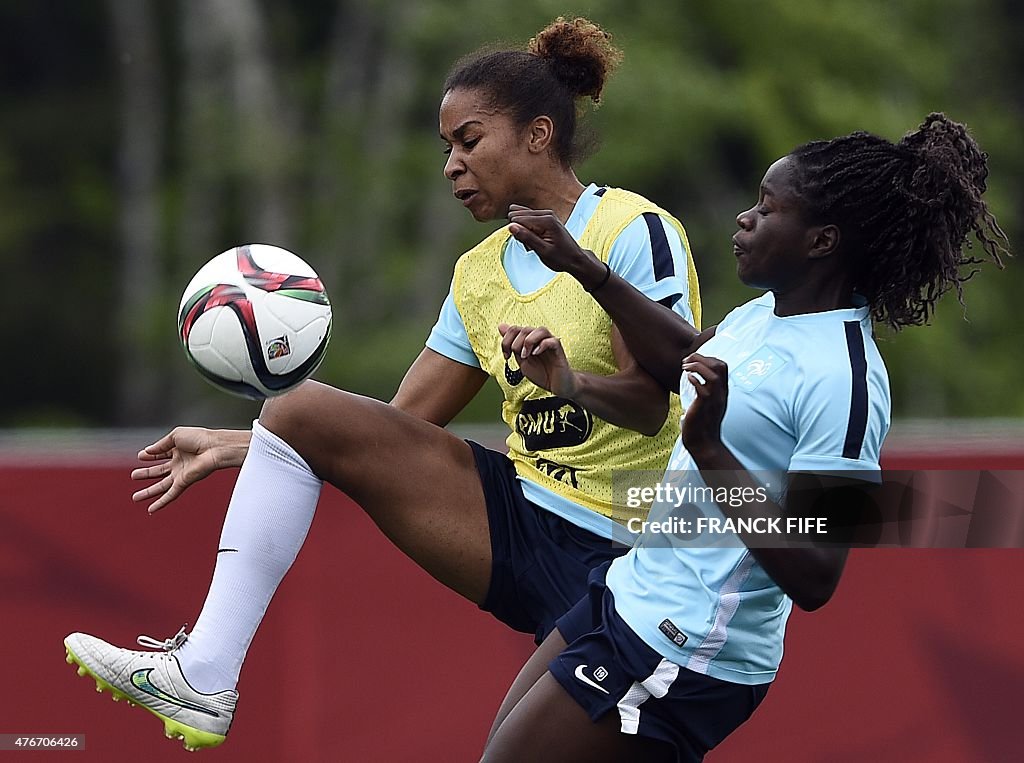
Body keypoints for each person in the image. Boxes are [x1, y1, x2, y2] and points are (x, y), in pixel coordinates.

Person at [62, 17, 702, 752]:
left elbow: (652, 405)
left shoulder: (631, 228)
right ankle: (204, 672)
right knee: (300, 406)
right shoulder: (478, 274)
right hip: (523, 526)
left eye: (469, 140)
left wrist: (565, 379)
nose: (451, 165)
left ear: (537, 134)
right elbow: (394, 429)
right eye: (445, 150)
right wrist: (249, 443)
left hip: (629, 551)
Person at [478, 113, 1009, 761]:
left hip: (688, 649)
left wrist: (710, 452)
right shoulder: (768, 312)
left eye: (767, 206)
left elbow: (816, 573)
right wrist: (585, 273)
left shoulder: (844, 380)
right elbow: (690, 364)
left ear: (822, 240)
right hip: (627, 594)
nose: (744, 218)